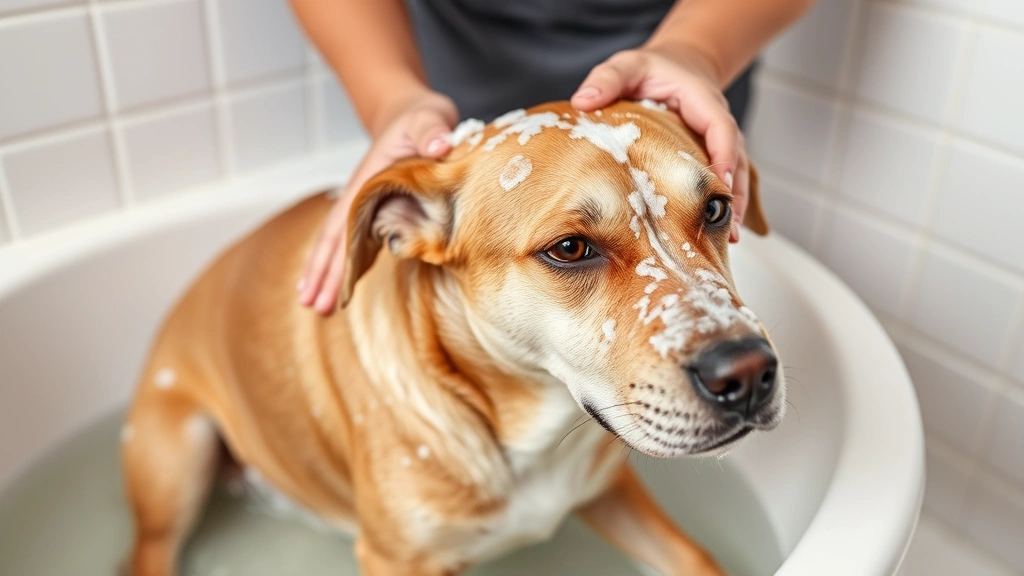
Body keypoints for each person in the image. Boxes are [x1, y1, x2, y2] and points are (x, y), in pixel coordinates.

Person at [290, 0, 815, 314]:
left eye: (714, 211)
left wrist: (698, 50)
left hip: (676, 71)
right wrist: (390, 97)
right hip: (459, 92)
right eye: (571, 246)